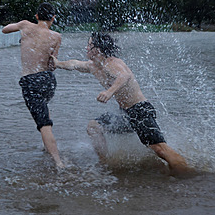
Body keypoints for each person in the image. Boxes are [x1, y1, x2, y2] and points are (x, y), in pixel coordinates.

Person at [51, 32, 194, 176]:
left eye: (89, 45)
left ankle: (189, 175)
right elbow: (74, 64)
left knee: (159, 149)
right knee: (94, 127)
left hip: (140, 110)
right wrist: (57, 64)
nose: (86, 48)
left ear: (98, 49)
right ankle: (105, 163)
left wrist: (109, 92)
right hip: (125, 114)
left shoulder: (112, 63)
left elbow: (124, 76)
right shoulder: (94, 65)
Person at [2, 2, 64, 169]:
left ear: (36, 16)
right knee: (43, 108)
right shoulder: (56, 36)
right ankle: (46, 147)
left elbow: (5, 29)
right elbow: (52, 64)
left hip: (31, 81)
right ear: (53, 18)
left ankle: (58, 162)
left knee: (43, 123)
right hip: (49, 80)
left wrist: (21, 28)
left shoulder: (25, 25)